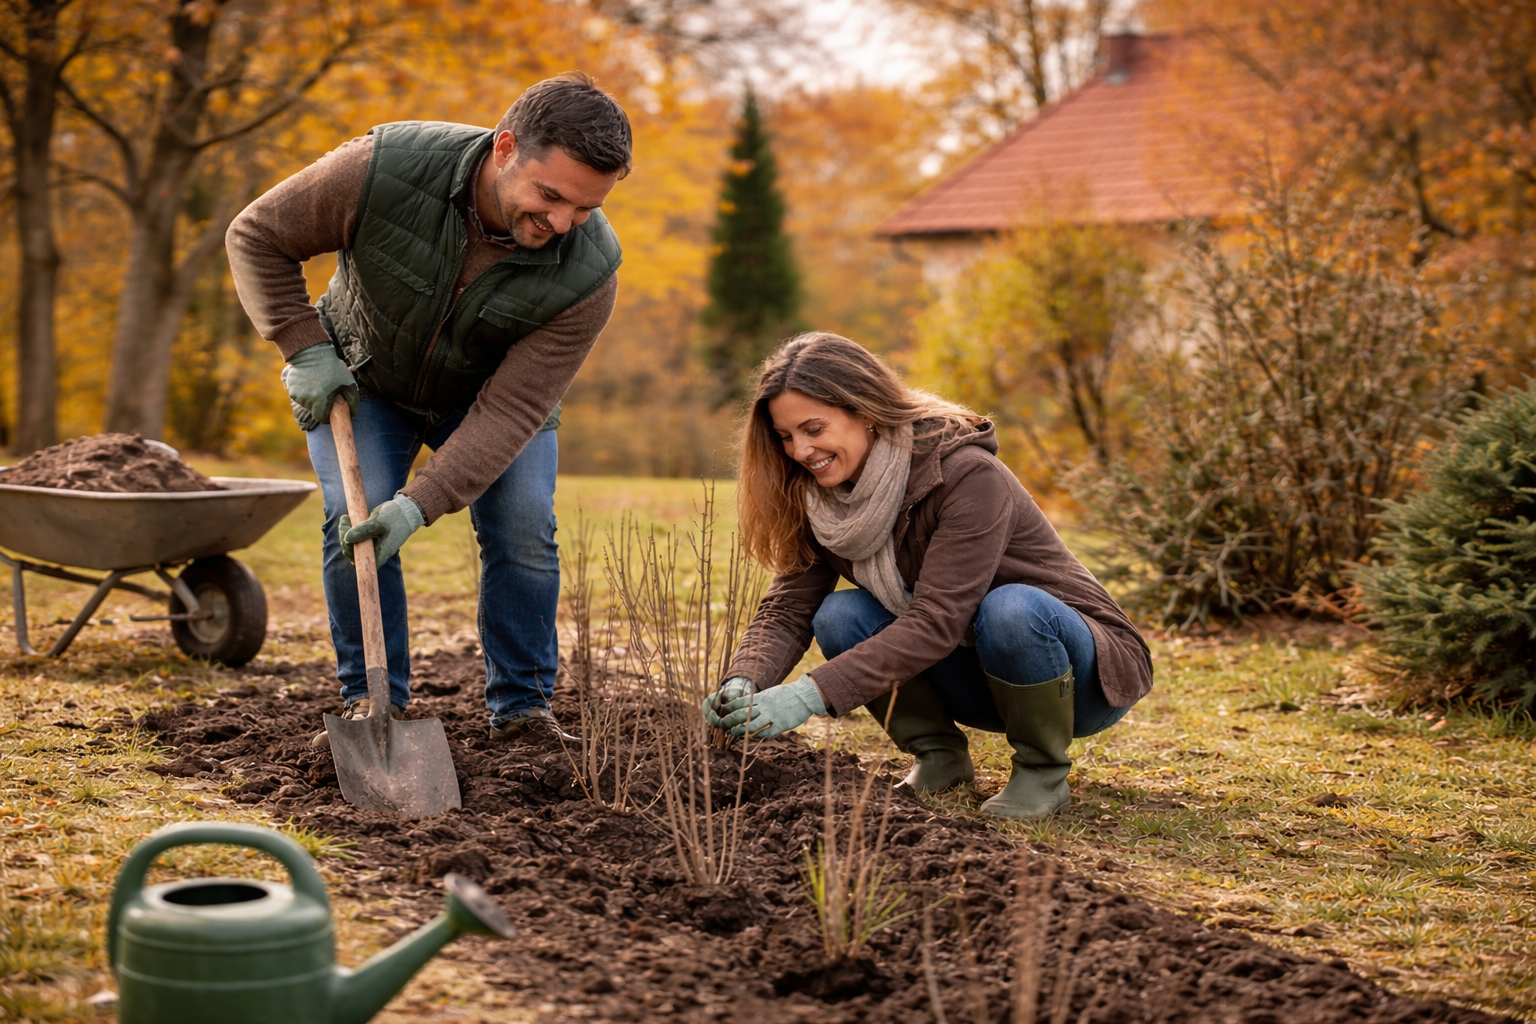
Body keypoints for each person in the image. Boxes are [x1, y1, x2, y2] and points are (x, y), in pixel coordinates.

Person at [227, 72, 630, 745]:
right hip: (366, 379)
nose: (561, 224)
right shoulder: (383, 170)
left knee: (525, 528)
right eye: (551, 196)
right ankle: (373, 702)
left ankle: (524, 710)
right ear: (506, 149)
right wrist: (303, 349)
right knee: (349, 521)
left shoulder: (588, 272)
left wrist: (423, 502)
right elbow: (257, 236)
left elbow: (514, 408)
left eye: (583, 210)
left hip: (493, 400)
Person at [703, 333, 1153, 818]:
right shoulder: (821, 498)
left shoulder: (965, 474)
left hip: (1078, 678)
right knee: (839, 614)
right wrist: (744, 681)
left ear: (865, 410)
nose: (800, 451)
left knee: (1011, 607)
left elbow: (939, 618)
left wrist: (809, 695)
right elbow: (789, 609)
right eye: (786, 436)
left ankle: (1041, 772)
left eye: (814, 429)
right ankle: (940, 757)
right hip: (975, 676)